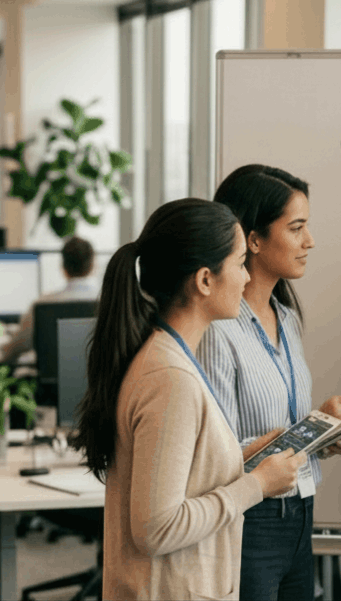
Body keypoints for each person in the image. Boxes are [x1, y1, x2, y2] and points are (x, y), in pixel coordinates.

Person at [72, 198, 308, 600]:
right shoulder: (170, 378)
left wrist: (242, 457)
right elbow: (156, 528)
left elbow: (180, 478)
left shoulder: (169, 357)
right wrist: (257, 485)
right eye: (238, 263)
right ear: (204, 280)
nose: (247, 278)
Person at [199, 164, 341, 601]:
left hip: (300, 514)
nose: (309, 241)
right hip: (251, 519)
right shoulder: (219, 330)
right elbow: (215, 455)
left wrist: (322, 435)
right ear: (253, 239)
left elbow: (281, 433)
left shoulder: (286, 318)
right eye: (296, 228)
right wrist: (299, 433)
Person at [0, 236, 99, 364]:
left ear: (63, 267)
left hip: (51, 383)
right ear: (92, 265)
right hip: (98, 383)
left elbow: (13, 351)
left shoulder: (42, 304)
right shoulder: (110, 302)